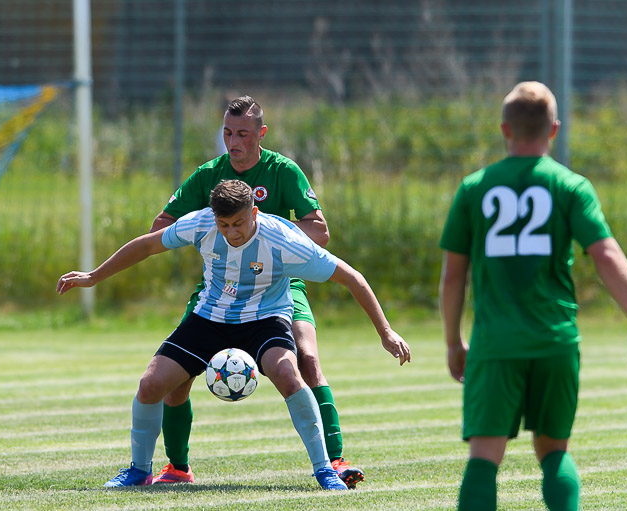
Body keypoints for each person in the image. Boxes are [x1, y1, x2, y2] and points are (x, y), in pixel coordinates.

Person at [57, 179, 411, 489]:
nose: (232, 232)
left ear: (254, 213)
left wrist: (385, 332)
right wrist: (93, 277)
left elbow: (351, 277)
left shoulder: (283, 239)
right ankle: (139, 470)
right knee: (150, 384)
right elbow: (148, 245)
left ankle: (325, 470)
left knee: (289, 375)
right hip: (210, 317)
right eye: (224, 224)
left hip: (265, 318)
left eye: (239, 223)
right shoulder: (201, 224)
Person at [439, 81, 627, 510]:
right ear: (554, 129)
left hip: (495, 343)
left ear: (505, 129)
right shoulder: (571, 186)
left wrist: (453, 341)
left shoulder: (474, 188)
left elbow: (453, 276)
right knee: (554, 450)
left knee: (484, 455)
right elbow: (606, 254)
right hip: (555, 339)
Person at [148, 96, 365, 488]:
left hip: (280, 284)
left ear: (261, 134)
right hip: (218, 289)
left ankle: (335, 461)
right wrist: (202, 230)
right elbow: (159, 227)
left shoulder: (283, 171)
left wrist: (264, 229)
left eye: (243, 134)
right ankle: (177, 467)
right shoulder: (208, 175)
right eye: (228, 133)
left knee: (307, 359)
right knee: (176, 375)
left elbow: (320, 232)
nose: (234, 142)